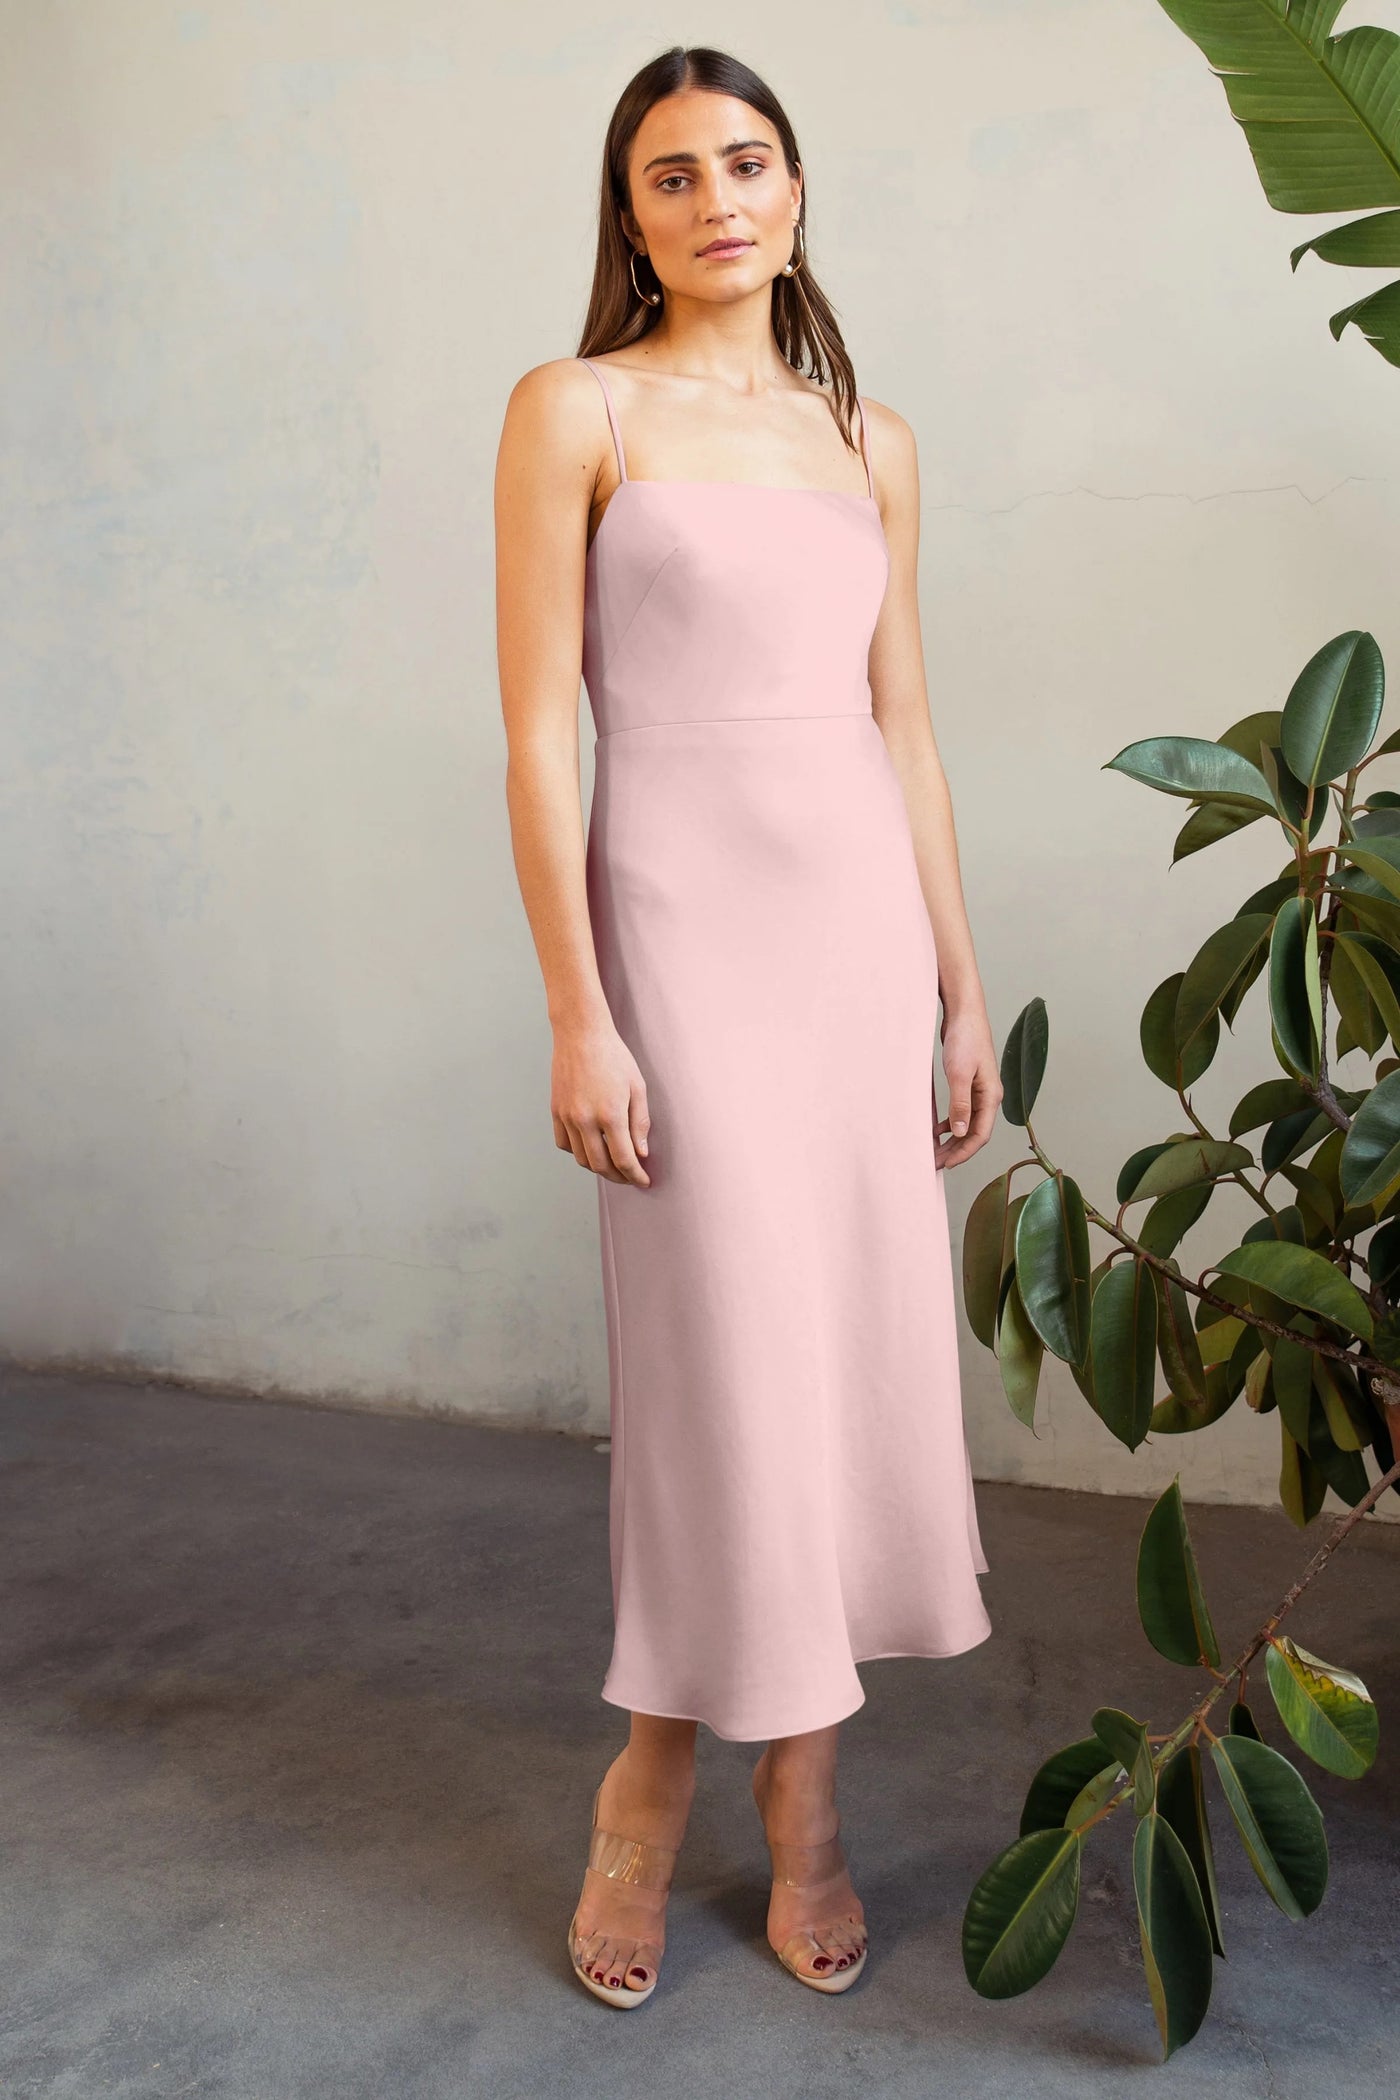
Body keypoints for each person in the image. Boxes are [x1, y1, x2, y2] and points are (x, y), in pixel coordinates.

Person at [495, 44, 1001, 2009]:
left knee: (848, 1358)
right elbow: (544, 726)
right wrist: (577, 1008)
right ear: (629, 218)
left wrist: (963, 985)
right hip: (677, 934)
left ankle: (806, 1796)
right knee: (719, 1374)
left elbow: (909, 729)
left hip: (855, 937)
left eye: (749, 162)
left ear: (796, 190)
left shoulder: (867, 435)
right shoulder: (575, 409)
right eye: (673, 175)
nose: (718, 198)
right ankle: (647, 1779)